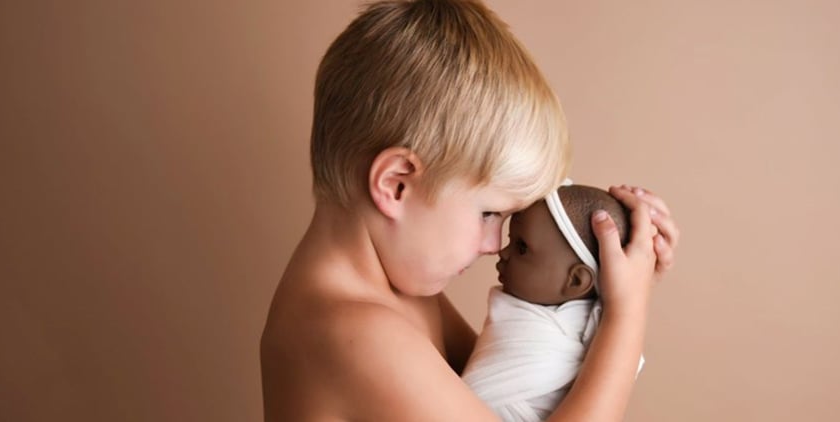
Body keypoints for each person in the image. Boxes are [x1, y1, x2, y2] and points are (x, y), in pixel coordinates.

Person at [259, 1, 679, 420]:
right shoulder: (357, 334)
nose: (494, 244)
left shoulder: (395, 291)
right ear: (396, 184)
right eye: (488, 214)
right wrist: (626, 320)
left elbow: (506, 389)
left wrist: (602, 293)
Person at [461, 182, 645, 422]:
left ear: (576, 280)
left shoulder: (588, 332)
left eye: (522, 247)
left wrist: (626, 305)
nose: (501, 252)